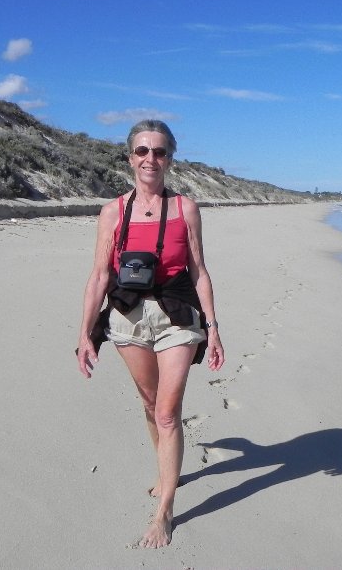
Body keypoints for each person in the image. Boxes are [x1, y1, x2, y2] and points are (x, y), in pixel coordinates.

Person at [76, 119, 225, 549]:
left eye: (159, 152)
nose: (150, 159)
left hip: (177, 318)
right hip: (128, 319)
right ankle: (166, 470)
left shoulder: (185, 208)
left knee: (167, 412)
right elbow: (100, 275)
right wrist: (85, 333)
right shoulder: (113, 212)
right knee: (149, 403)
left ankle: (165, 511)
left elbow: (199, 271)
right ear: (130, 158)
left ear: (169, 159)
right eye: (142, 151)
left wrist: (213, 328)